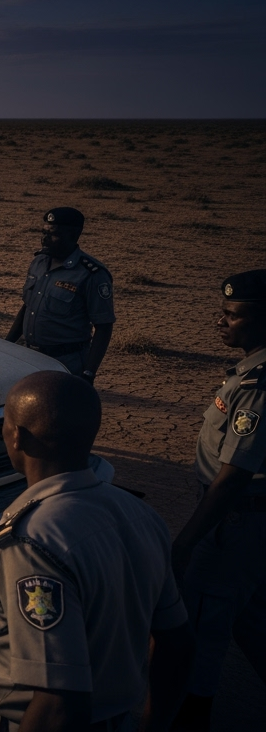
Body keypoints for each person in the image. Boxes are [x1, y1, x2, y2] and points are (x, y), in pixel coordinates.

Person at [0, 371, 193, 731]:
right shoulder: (140, 515)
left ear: (16, 436)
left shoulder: (34, 540)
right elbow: (177, 644)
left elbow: (58, 701)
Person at [169, 269, 266, 730]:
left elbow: (232, 477)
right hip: (247, 525)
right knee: (250, 618)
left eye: (234, 315)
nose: (221, 322)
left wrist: (187, 541)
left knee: (204, 630)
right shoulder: (249, 373)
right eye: (223, 312)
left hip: (232, 523)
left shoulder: (258, 388)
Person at [5, 207, 115, 383]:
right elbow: (28, 307)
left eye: (53, 234)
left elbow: (103, 326)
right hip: (28, 357)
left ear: (73, 236)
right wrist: (7, 345)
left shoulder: (91, 274)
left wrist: (89, 373)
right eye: (44, 232)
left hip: (65, 363)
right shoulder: (39, 262)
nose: (44, 239)